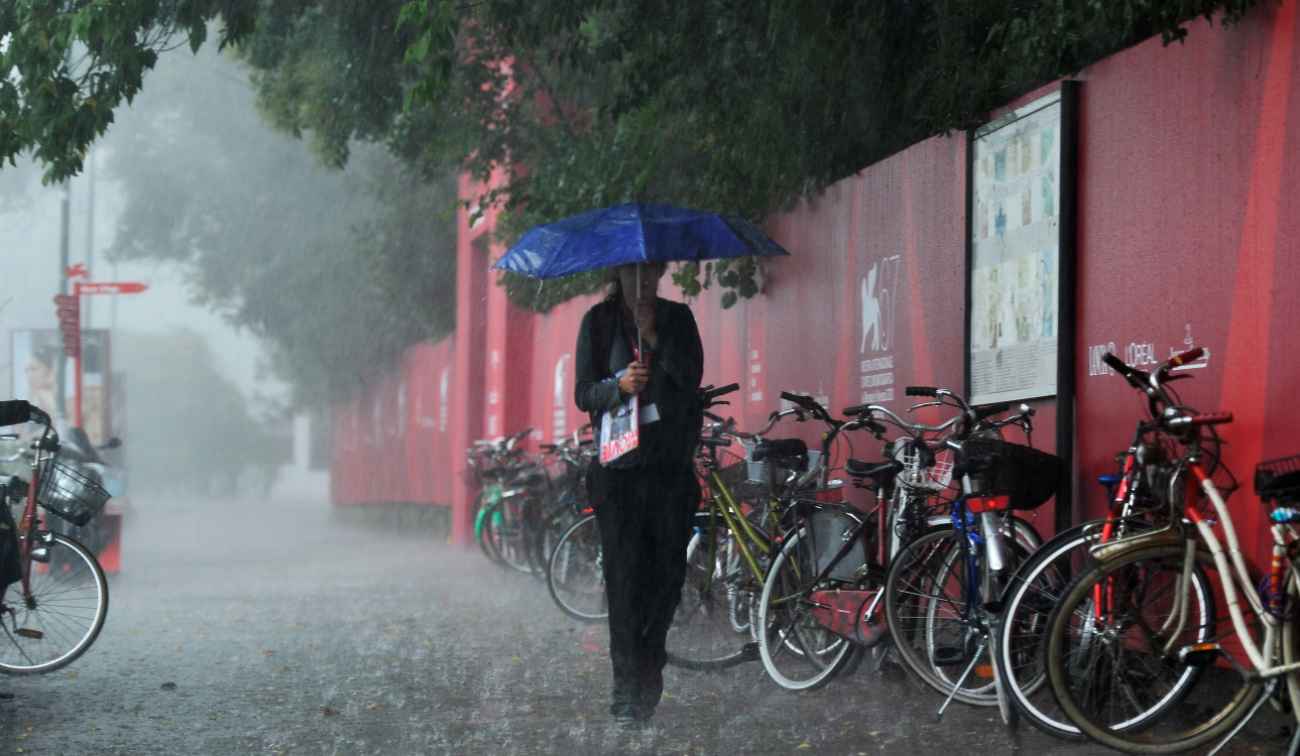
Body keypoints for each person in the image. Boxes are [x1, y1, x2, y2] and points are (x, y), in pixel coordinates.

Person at [574, 261, 704, 723]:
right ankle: (627, 688)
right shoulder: (598, 322)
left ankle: (651, 657)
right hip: (619, 473)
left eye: (650, 274)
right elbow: (583, 392)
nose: (643, 283)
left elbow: (691, 381)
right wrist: (617, 386)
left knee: (667, 578)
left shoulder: (678, 319)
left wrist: (653, 339)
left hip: (670, 470)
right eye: (633, 275)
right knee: (625, 582)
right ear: (618, 276)